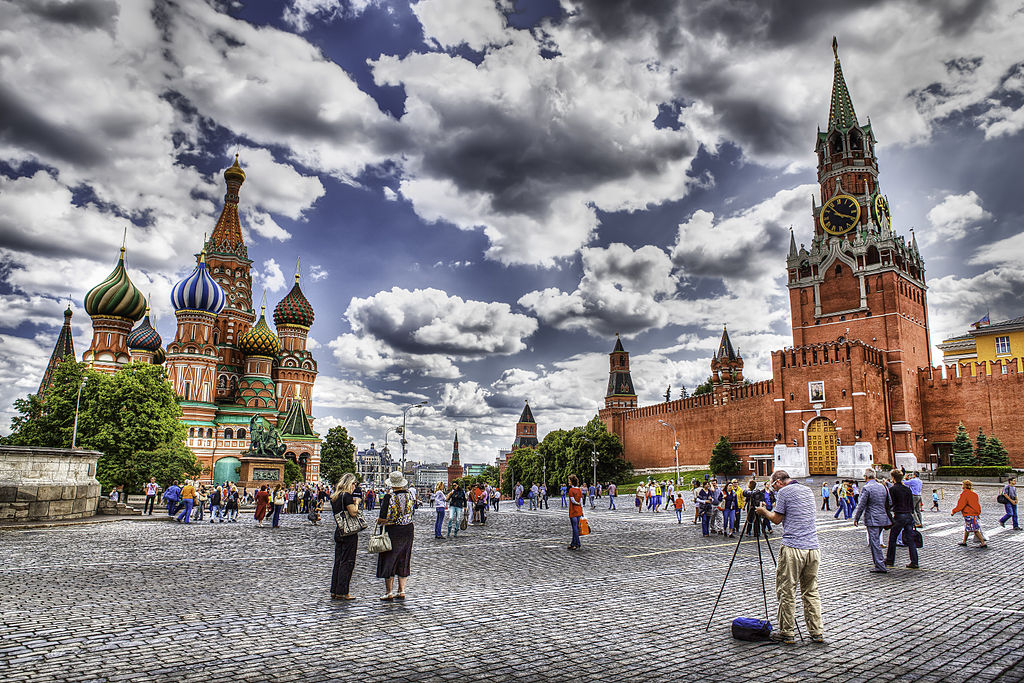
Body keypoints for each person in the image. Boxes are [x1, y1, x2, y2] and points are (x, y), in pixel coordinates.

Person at [754, 470, 825, 645]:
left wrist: (763, 512)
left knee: (786, 590)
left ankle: (787, 632)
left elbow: (776, 519)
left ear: (778, 482)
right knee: (811, 591)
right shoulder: (807, 490)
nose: (775, 490)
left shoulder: (784, 492)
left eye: (774, 487)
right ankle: (816, 631)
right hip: (813, 547)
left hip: (793, 548)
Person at [376, 471, 415, 600]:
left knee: (389, 558)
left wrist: (379, 521)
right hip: (408, 529)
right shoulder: (410, 495)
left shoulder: (389, 497)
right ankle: (401, 590)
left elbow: (383, 517)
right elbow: (412, 511)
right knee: (404, 557)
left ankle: (389, 592)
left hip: (393, 530)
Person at [852, 468, 892, 573]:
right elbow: (889, 502)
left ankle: (880, 565)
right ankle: (880, 562)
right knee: (876, 541)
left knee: (874, 543)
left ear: (866, 477)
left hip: (872, 518)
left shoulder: (867, 488)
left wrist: (856, 518)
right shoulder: (883, 486)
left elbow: (861, 505)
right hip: (883, 517)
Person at [329, 473, 360, 601]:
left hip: (339, 530)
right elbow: (353, 512)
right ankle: (343, 591)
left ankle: (334, 590)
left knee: (338, 561)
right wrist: (356, 503)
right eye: (354, 484)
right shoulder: (347, 496)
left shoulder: (335, 496)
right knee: (347, 562)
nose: (355, 486)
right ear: (350, 484)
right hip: (349, 532)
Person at [884, 470, 920, 569]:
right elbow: (911, 505)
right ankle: (914, 561)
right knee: (910, 539)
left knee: (893, 538)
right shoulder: (907, 489)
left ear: (893, 478)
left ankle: (890, 559)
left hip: (899, 515)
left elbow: (890, 503)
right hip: (908, 515)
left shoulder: (893, 489)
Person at [951, 480, 987, 548]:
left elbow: (961, 504)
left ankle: (983, 542)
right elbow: (976, 505)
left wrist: (954, 511)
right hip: (974, 513)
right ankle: (964, 541)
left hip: (968, 514)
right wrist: (978, 513)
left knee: (975, 529)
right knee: (968, 528)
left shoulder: (964, 494)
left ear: (964, 486)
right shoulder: (974, 494)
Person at [567, 474, 584, 550]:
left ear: (572, 481)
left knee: (575, 528)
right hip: (579, 510)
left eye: (569, 481)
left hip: (573, 511)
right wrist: (581, 509)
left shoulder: (571, 490)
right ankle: (573, 543)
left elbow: (572, 500)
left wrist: (577, 503)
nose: (568, 482)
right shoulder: (579, 490)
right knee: (576, 527)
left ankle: (577, 543)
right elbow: (581, 500)